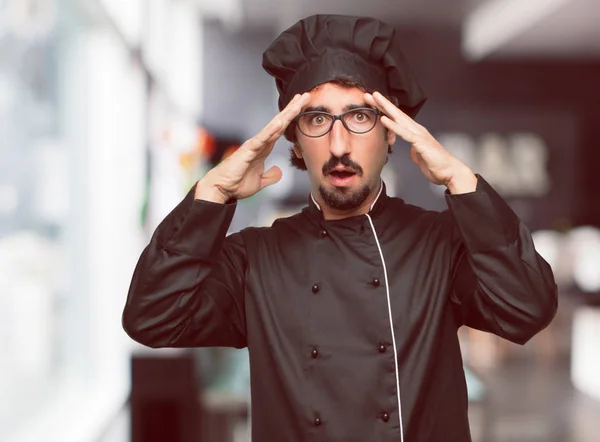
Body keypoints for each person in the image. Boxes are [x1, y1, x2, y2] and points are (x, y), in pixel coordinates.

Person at [122, 14, 558, 442]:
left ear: (390, 134)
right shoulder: (255, 258)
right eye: (317, 120)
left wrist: (463, 182)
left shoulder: (438, 244)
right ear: (294, 139)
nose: (339, 145)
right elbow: (152, 318)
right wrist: (212, 191)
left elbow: (527, 309)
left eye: (360, 117)